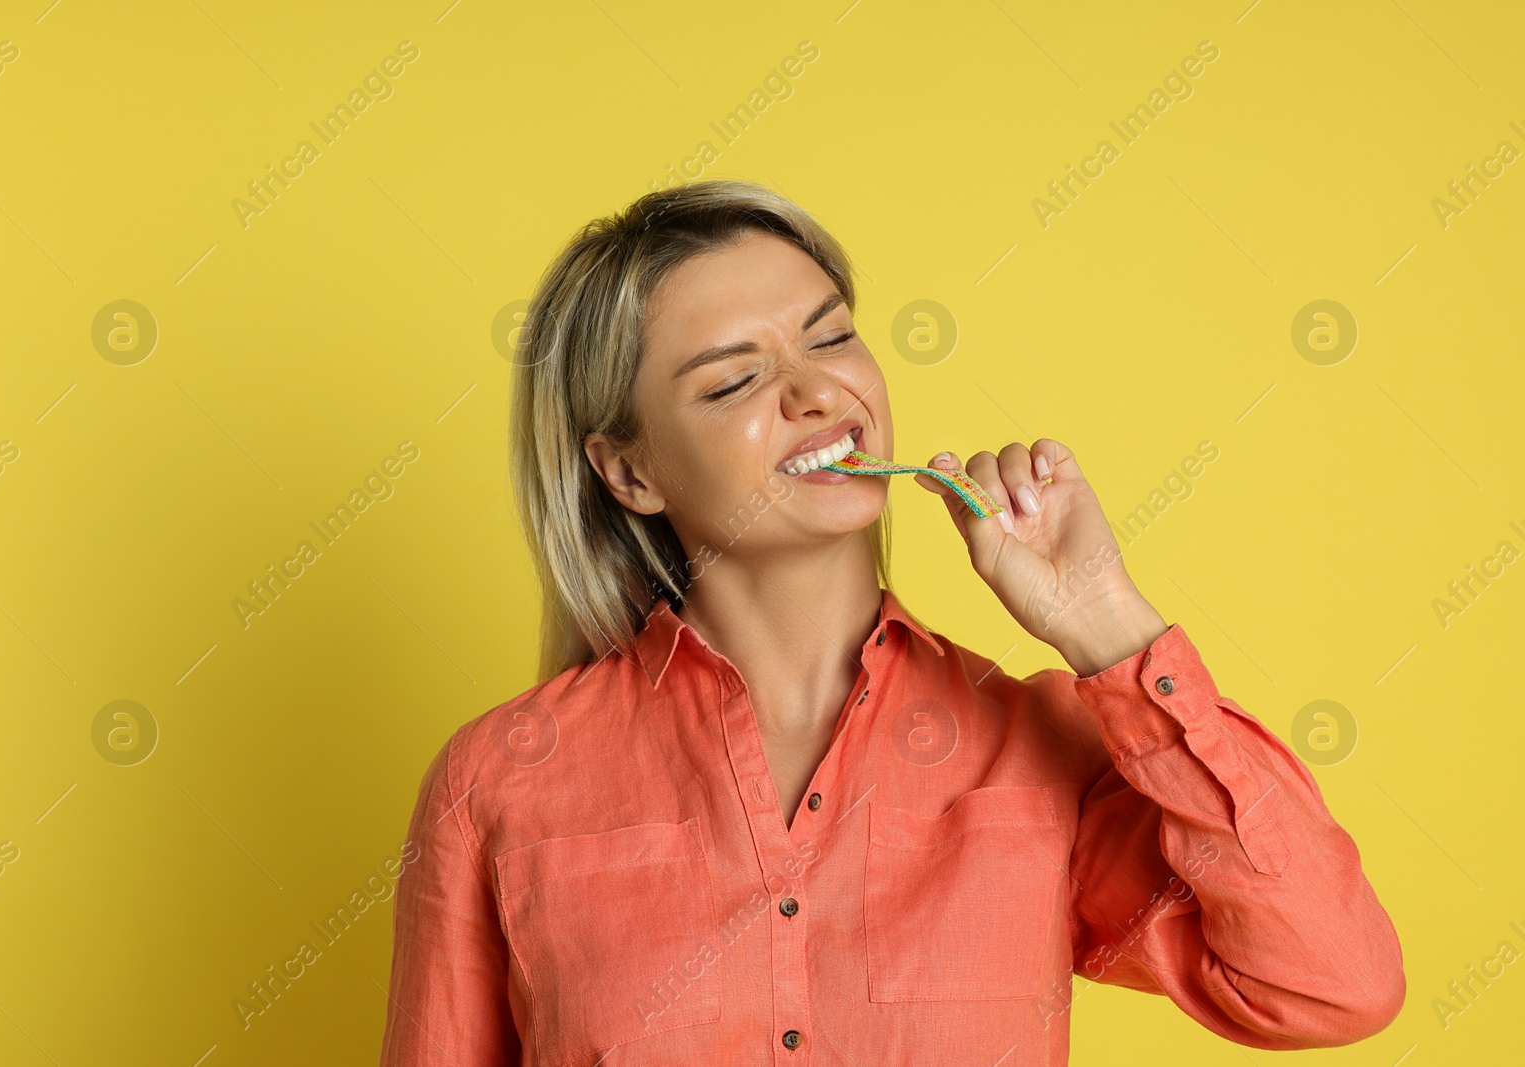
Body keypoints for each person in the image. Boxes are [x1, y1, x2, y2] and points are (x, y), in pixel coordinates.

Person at [377, 179, 1405, 1066]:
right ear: (629, 471)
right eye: (734, 377)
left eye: (830, 334)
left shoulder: (1038, 754)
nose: (817, 389)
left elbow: (1330, 981)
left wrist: (1105, 625)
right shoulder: (498, 781)